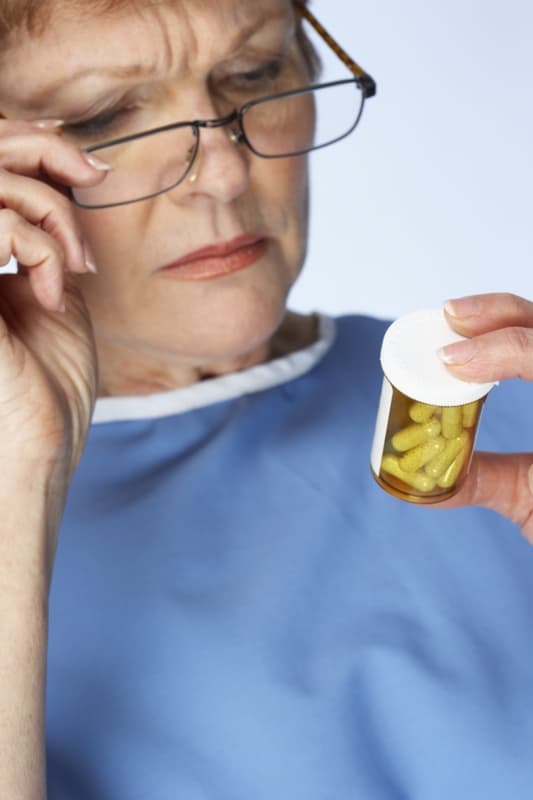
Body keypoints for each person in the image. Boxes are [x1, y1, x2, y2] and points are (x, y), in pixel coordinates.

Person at [0, 0, 531, 797]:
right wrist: (19, 479)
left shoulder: (496, 406)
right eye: (101, 115)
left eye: (253, 74)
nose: (224, 171)